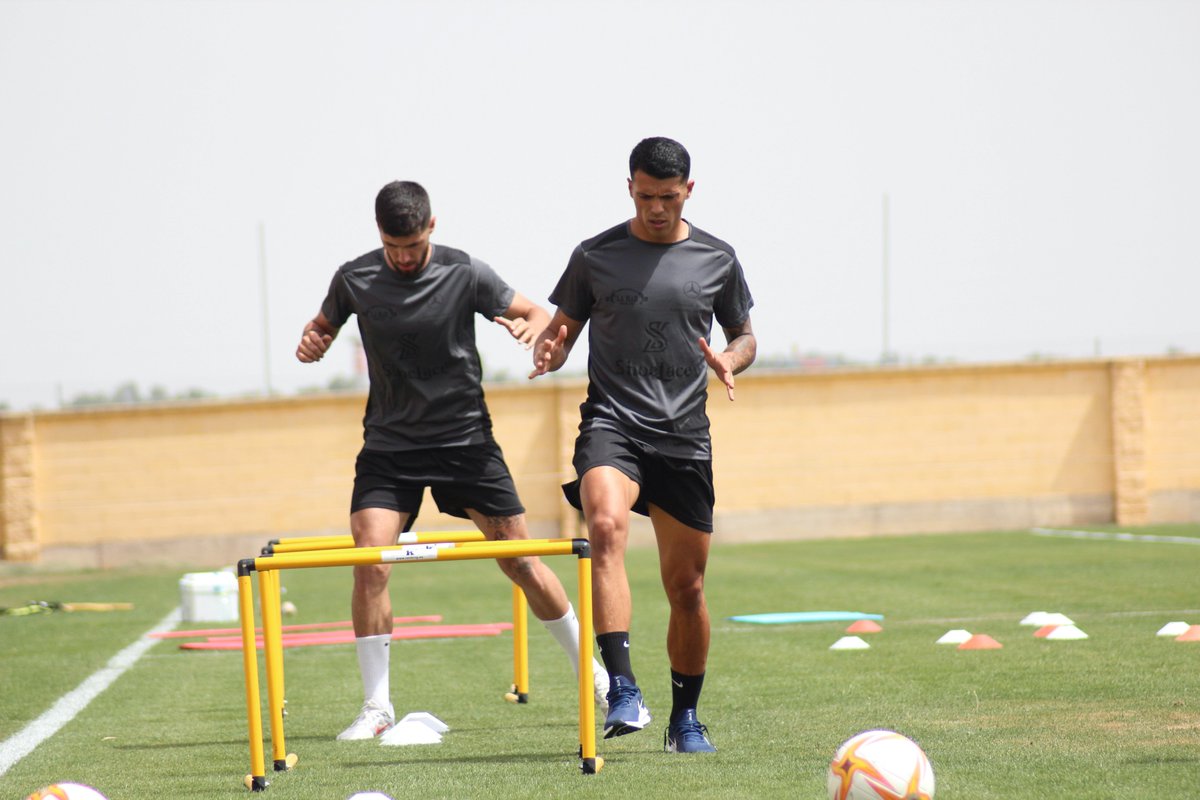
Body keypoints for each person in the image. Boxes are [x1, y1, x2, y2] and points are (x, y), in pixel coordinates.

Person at [296, 180, 609, 741]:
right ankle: (376, 707)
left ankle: (596, 677)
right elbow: (323, 325)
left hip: (466, 442)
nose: (403, 257)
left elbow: (538, 313)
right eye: (394, 247)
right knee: (369, 559)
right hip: (389, 449)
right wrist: (313, 340)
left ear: (431, 228)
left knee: (520, 561)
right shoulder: (355, 278)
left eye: (412, 246)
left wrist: (531, 328)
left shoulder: (465, 272)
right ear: (380, 237)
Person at [529, 137, 756, 754]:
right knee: (603, 525)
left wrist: (731, 360)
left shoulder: (718, 258)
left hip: (684, 437)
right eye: (646, 195)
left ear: (689, 190)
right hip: (613, 423)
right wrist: (552, 349)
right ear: (629, 187)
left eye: (669, 196)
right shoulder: (594, 255)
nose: (657, 208)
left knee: (687, 588)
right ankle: (623, 687)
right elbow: (563, 329)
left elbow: (744, 334)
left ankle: (686, 720)